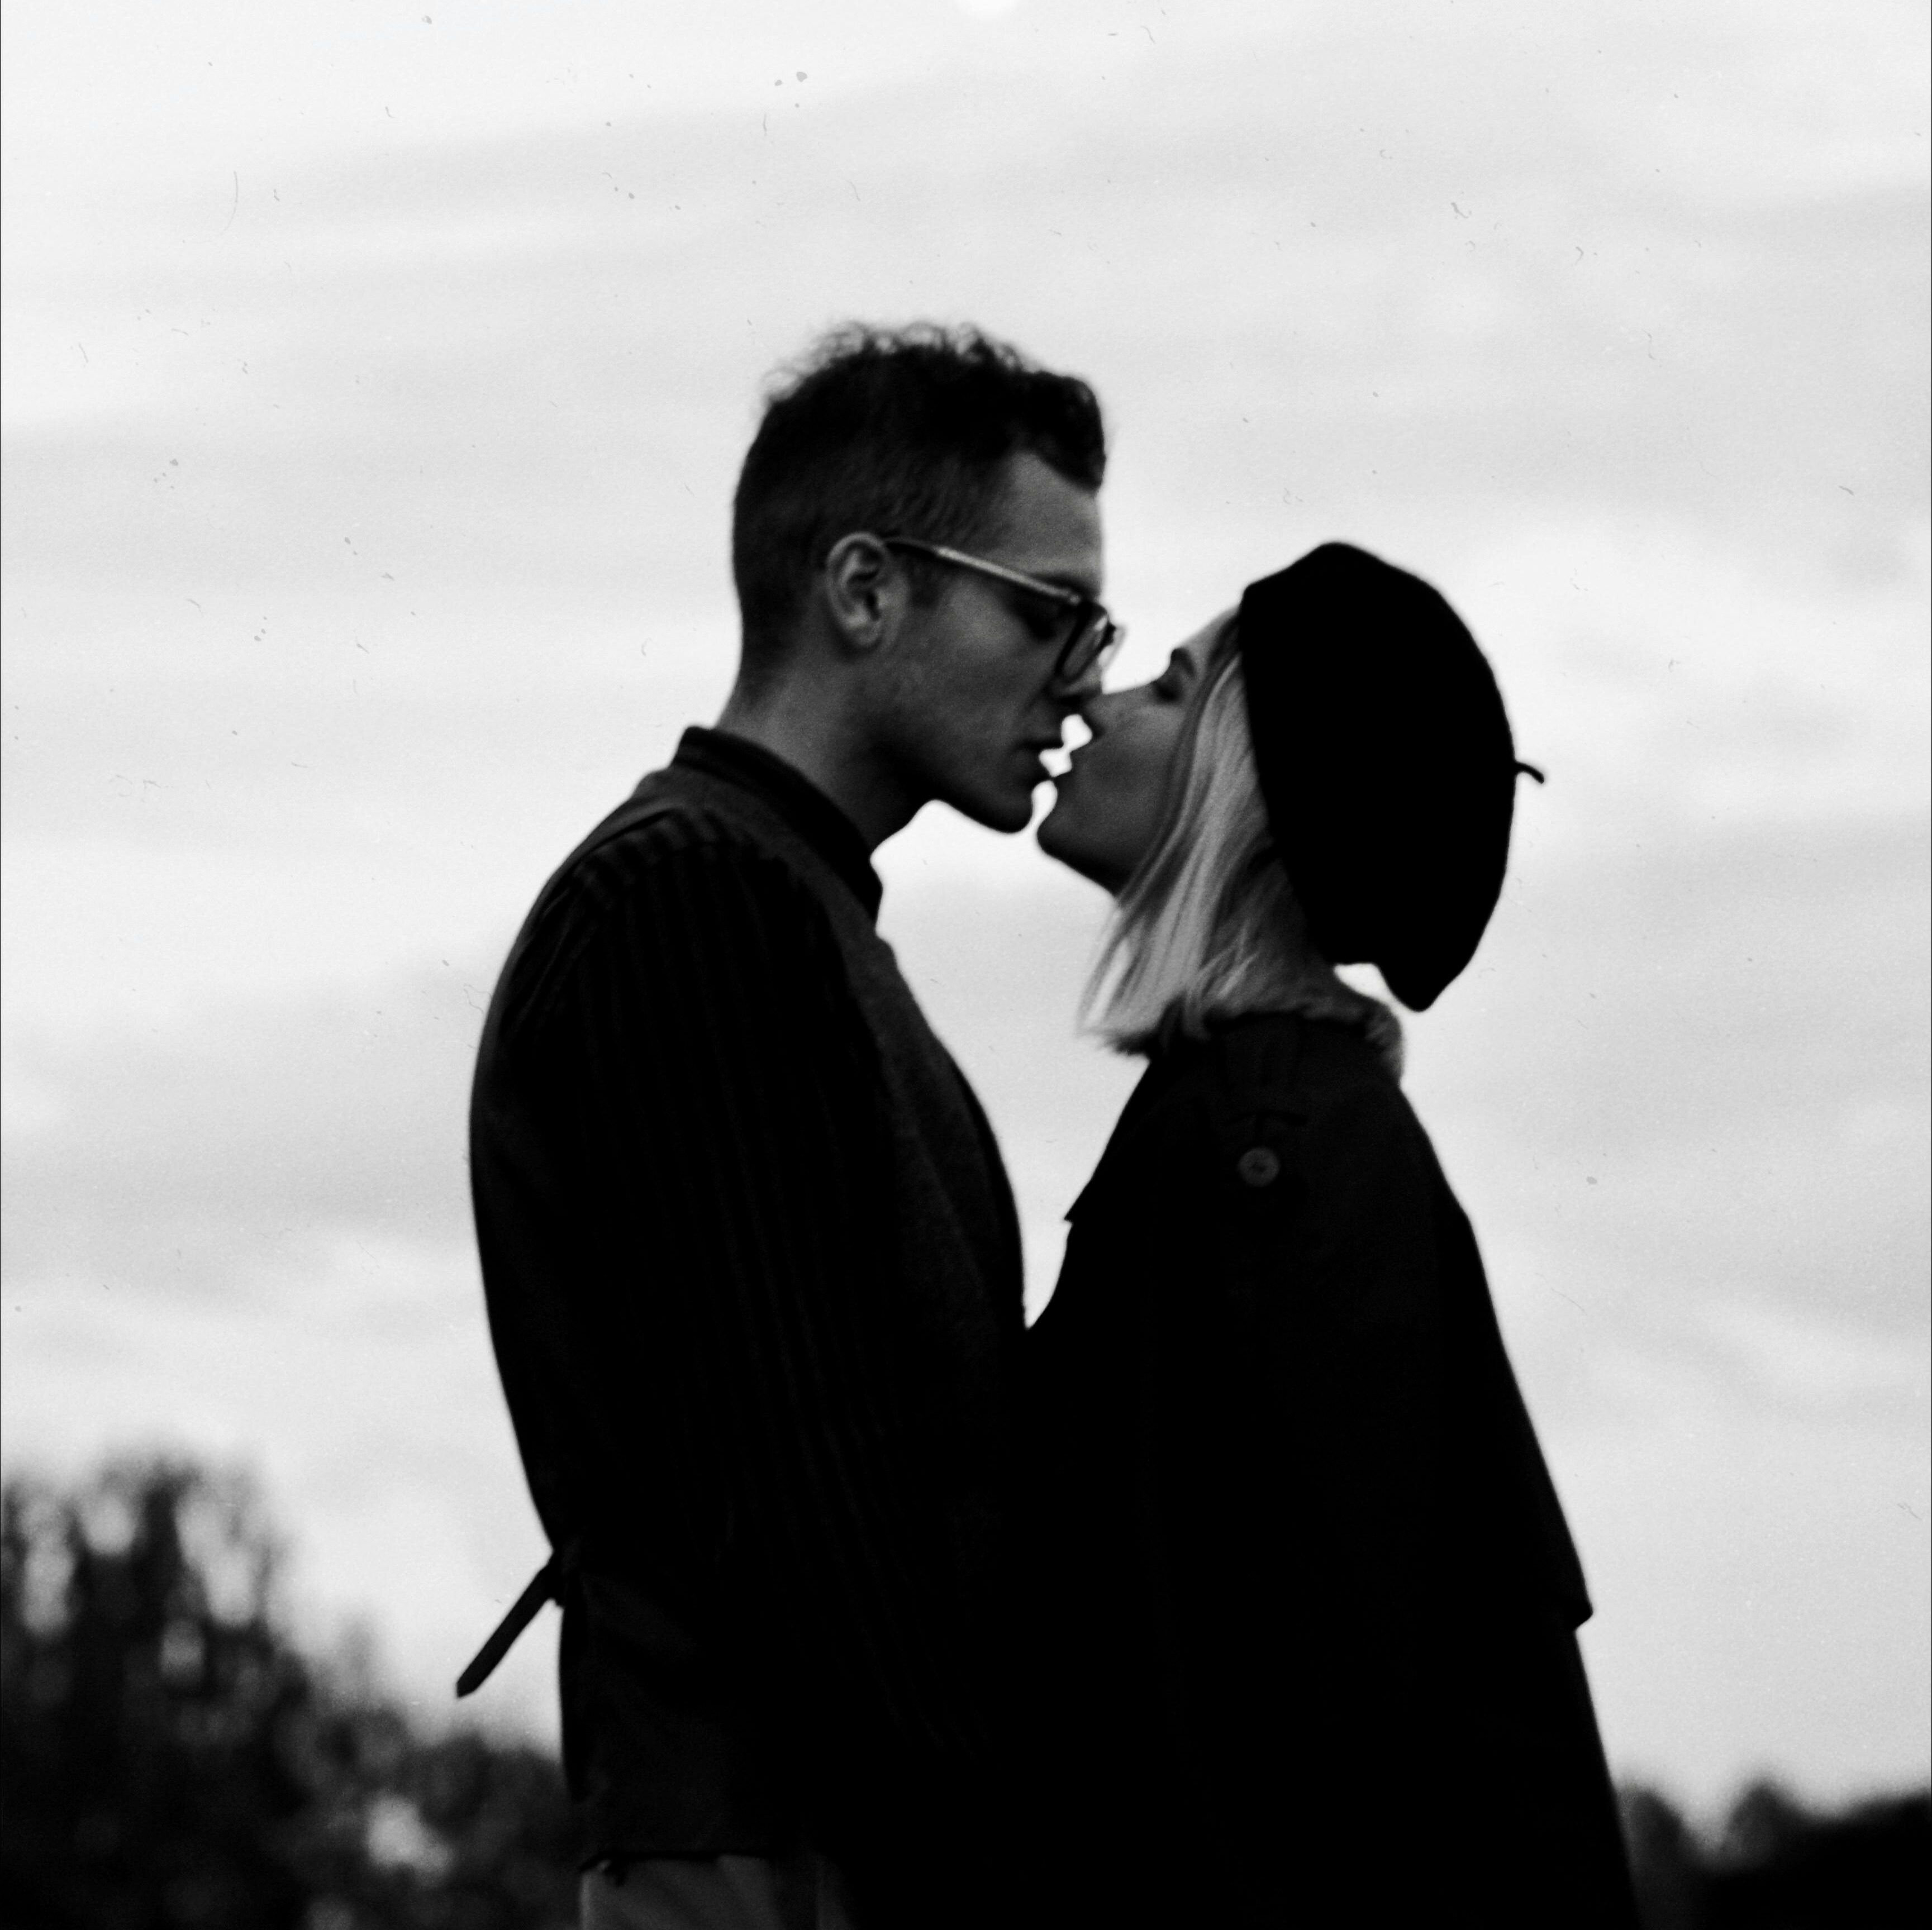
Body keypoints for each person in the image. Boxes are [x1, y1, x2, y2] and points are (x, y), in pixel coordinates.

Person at [461, 323, 1119, 1930]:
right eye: (1049, 614)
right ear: (865, 590)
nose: (1083, 680)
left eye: (1100, 630)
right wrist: (1008, 1870)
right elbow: (808, 1497)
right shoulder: (691, 901)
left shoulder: (791, 910)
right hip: (781, 1848)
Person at [1023, 543, 1639, 1927]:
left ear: (1244, 791)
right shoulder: (1266, 1119)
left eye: (1169, 691)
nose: (1100, 705)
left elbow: (1298, 1714)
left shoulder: (1270, 1149)